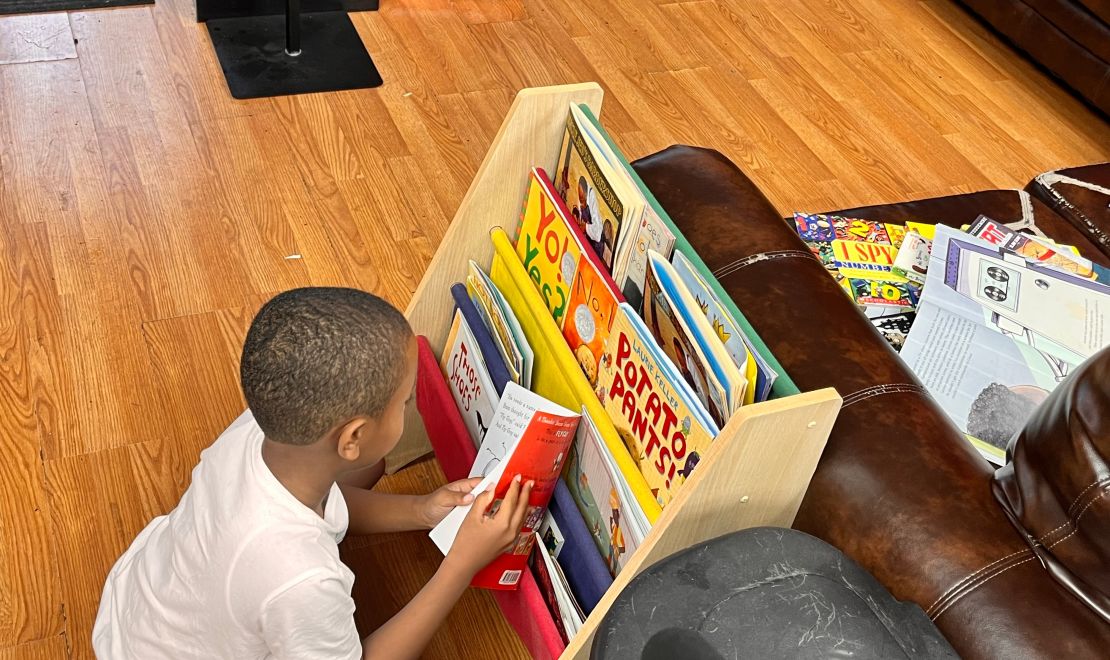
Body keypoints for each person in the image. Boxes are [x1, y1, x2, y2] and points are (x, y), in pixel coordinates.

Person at [92, 287, 533, 659]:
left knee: (372, 470)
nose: (410, 407)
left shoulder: (262, 427)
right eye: (403, 403)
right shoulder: (301, 579)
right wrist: (460, 564)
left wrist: (421, 511)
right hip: (175, 637)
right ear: (352, 438)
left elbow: (327, 502)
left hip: (140, 610)